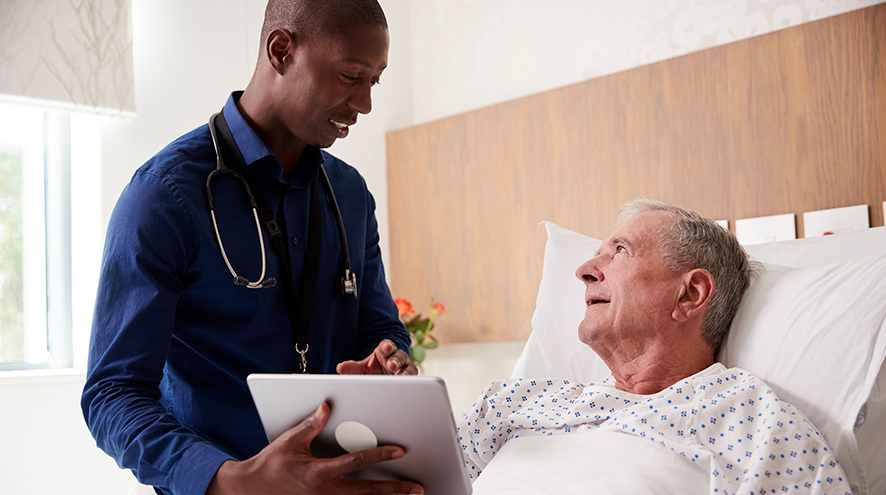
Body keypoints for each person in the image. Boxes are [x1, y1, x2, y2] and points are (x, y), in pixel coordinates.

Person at [81, 1, 423, 494]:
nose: (365, 103)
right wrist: (232, 480)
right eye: (351, 75)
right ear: (281, 50)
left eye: (375, 80)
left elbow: (379, 326)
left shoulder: (350, 195)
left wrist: (387, 359)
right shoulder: (163, 196)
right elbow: (112, 394)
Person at [458, 199, 852, 494]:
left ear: (690, 295)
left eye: (619, 250)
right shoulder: (516, 402)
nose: (583, 271)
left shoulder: (755, 426)